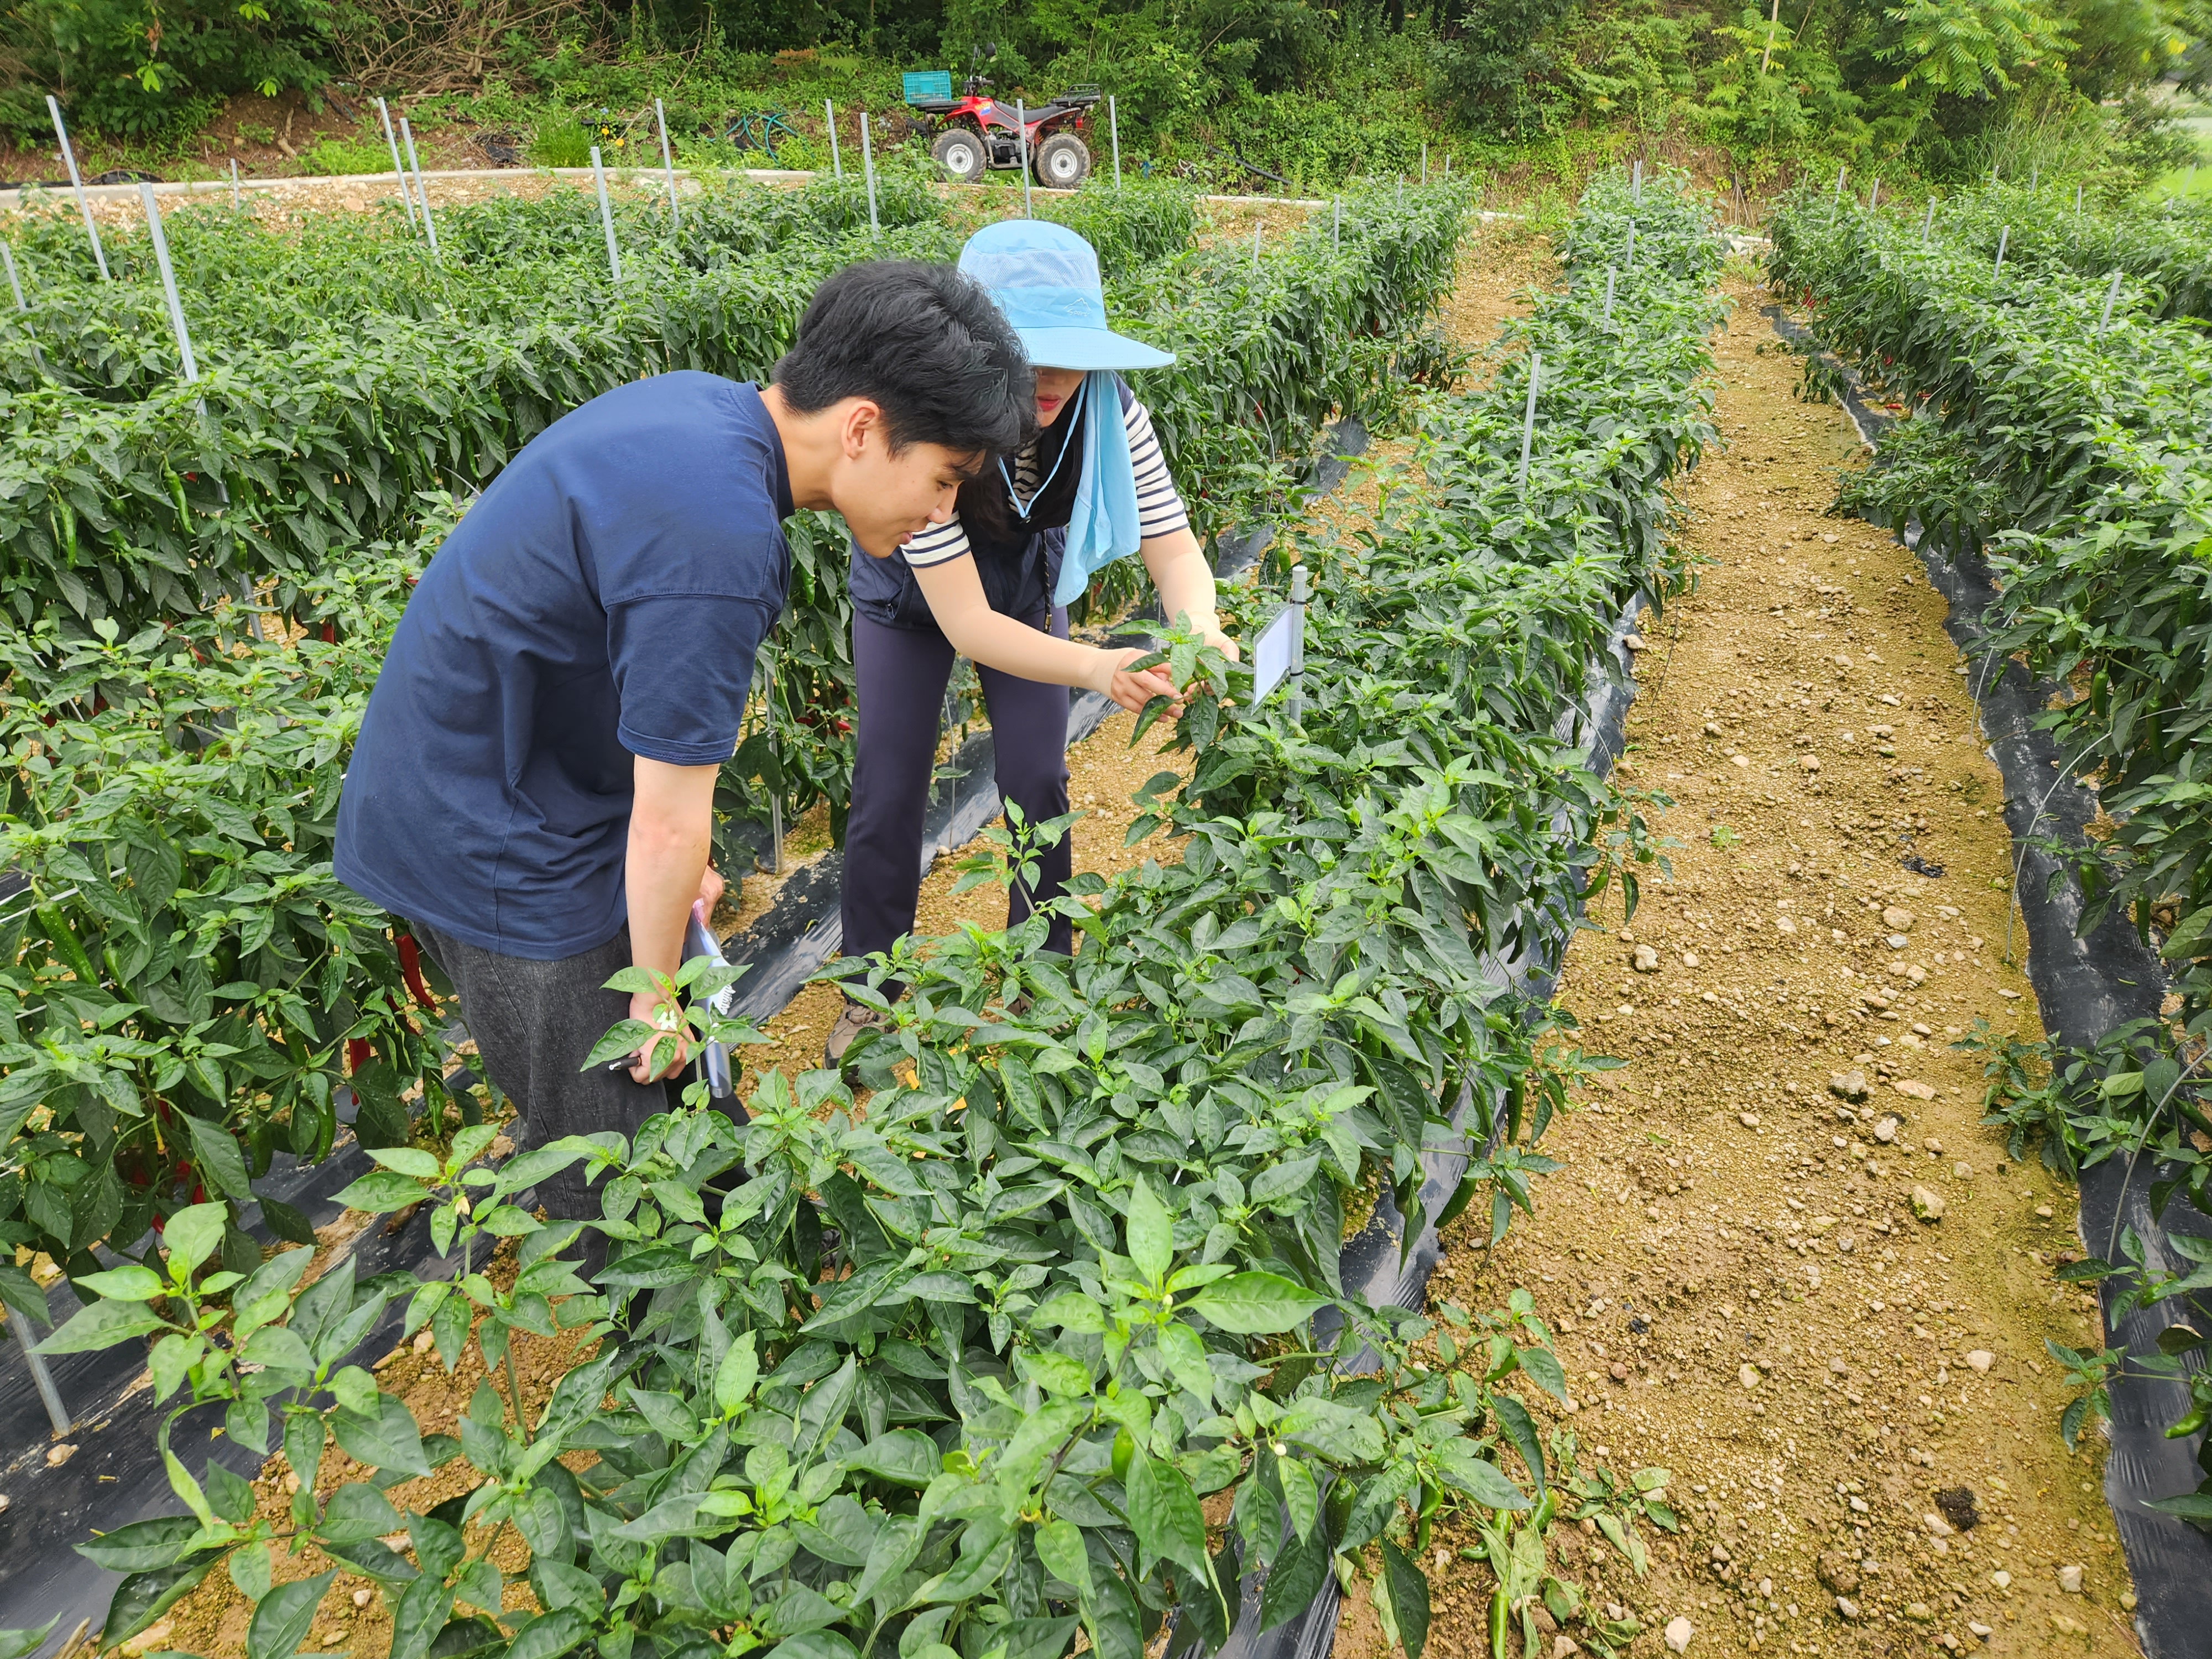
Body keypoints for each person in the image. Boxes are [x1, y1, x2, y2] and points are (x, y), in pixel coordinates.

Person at [335, 260, 1032, 1223]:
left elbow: (617, 679)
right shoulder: (720, 538)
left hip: (527, 786)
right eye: (945, 478)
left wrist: (668, 925)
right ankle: (660, 1332)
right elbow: (669, 828)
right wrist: (657, 989)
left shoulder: (707, 413)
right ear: (865, 427)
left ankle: (729, 1252)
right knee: (617, 1160)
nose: (942, 512)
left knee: (682, 1097)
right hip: (491, 840)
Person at [827, 219, 1237, 1063]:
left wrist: (1200, 630)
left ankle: (1042, 972)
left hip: (1023, 590)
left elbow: (1174, 545)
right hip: (914, 601)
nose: (1050, 378)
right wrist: (1098, 666)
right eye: (1027, 353)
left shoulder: (1109, 408)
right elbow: (964, 622)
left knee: (1037, 775)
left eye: (1068, 352)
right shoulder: (932, 421)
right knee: (889, 785)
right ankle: (873, 990)